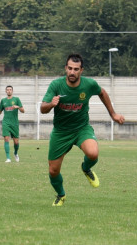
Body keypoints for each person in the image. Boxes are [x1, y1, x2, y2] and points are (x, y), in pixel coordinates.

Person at [40, 54, 125, 206]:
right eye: (70, 68)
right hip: (61, 132)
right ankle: (61, 195)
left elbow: (102, 93)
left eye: (76, 69)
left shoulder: (89, 84)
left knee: (93, 153)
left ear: (81, 71)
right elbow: (42, 108)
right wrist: (51, 104)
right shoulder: (56, 85)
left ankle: (86, 169)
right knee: (53, 171)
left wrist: (113, 114)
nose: (72, 72)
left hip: (81, 128)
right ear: (66, 68)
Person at [0, 85, 25, 162]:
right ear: (5, 91)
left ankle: (15, 153)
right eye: (7, 90)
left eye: (10, 90)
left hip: (14, 123)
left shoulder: (16, 99)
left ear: (12, 91)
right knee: (6, 138)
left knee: (16, 142)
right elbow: (0, 112)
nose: (9, 91)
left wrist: (17, 107)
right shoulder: (3, 101)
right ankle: (8, 158)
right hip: (6, 122)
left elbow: (23, 110)